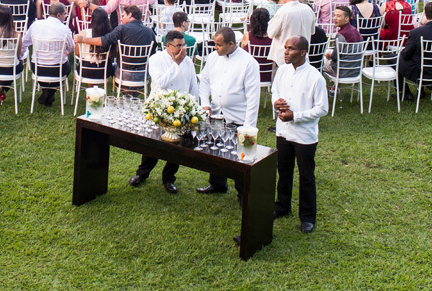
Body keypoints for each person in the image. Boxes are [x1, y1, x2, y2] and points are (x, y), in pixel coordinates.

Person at [269, 35, 328, 233]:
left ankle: (307, 216)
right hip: (283, 131)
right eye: (285, 48)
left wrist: (296, 116)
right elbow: (275, 92)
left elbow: (322, 109)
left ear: (303, 52)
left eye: (291, 49)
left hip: (304, 135)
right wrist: (276, 102)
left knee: (306, 176)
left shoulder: (315, 77)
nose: (285, 52)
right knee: (283, 170)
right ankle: (282, 206)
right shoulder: (282, 70)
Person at [129, 30, 198, 194]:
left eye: (183, 45)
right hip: (159, 109)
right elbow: (161, 82)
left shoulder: (188, 62)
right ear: (168, 46)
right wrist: (176, 64)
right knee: (152, 145)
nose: (182, 49)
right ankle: (142, 174)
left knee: (177, 148)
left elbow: (193, 86)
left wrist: (193, 108)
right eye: (178, 46)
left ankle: (169, 178)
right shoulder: (156, 59)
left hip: (181, 110)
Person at [197, 27, 261, 199]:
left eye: (218, 45)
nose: (214, 48)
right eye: (214, 44)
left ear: (231, 44)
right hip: (217, 113)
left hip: (239, 116)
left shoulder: (249, 63)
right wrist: (205, 104)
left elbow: (253, 97)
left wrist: (249, 127)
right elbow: (204, 81)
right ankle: (217, 184)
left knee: (240, 156)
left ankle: (242, 193)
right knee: (215, 149)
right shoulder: (212, 58)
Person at [397, 1, 432, 100]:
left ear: (425, 14)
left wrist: (401, 53)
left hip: (421, 70)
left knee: (396, 59)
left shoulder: (416, 32)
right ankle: (418, 90)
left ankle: (406, 93)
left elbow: (406, 55)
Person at [22, 1, 75, 106]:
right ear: (59, 15)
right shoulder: (64, 29)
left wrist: (20, 56)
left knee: (64, 66)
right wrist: (66, 51)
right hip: (58, 69)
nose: (65, 16)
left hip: (37, 67)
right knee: (68, 67)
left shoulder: (36, 25)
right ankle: (50, 92)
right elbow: (72, 47)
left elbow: (24, 43)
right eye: (65, 14)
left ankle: (47, 92)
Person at [266, 0, 314, 66]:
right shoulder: (308, 9)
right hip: (302, 57)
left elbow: (270, 33)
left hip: (284, 58)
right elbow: (312, 31)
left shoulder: (283, 12)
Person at [0, 6, 28, 105]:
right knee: (19, 64)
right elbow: (17, 54)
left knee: (6, 67)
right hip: (11, 68)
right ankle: (0, 90)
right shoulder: (16, 35)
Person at [321, 6, 361, 82]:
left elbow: (335, 57)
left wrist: (329, 55)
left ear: (347, 18)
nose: (334, 18)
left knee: (321, 64)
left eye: (338, 16)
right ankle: (334, 88)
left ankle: (322, 89)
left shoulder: (341, 35)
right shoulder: (355, 31)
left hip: (341, 71)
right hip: (356, 70)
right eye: (334, 15)